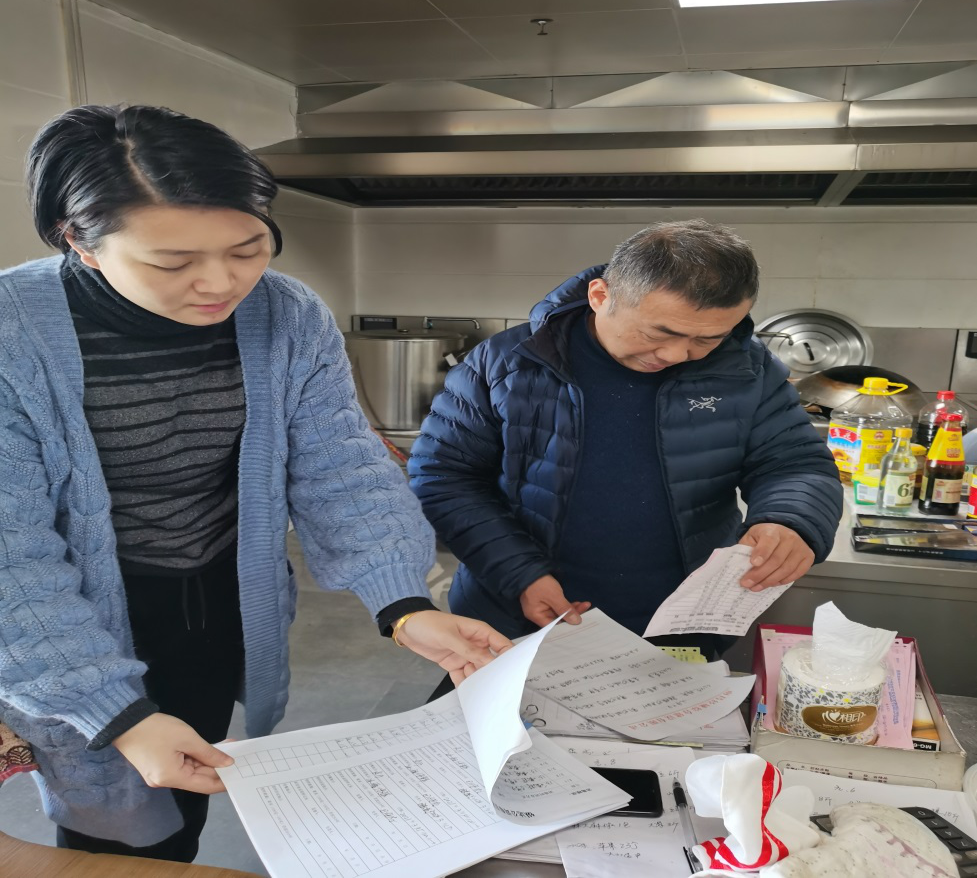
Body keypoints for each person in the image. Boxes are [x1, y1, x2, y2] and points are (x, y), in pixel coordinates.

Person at [0, 104, 511, 862]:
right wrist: (115, 713)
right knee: (114, 831)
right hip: (66, 619)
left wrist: (403, 606)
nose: (221, 282)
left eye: (248, 248)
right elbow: (12, 558)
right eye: (172, 262)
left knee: (184, 796)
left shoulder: (286, 313)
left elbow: (341, 467)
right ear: (80, 241)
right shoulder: (12, 333)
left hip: (214, 602)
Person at [408, 220, 843, 651]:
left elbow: (795, 463)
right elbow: (443, 476)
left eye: (707, 339)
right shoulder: (507, 362)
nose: (677, 354)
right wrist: (518, 572)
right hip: (516, 616)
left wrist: (789, 520)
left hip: (683, 625)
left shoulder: (747, 369)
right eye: (660, 332)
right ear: (600, 296)